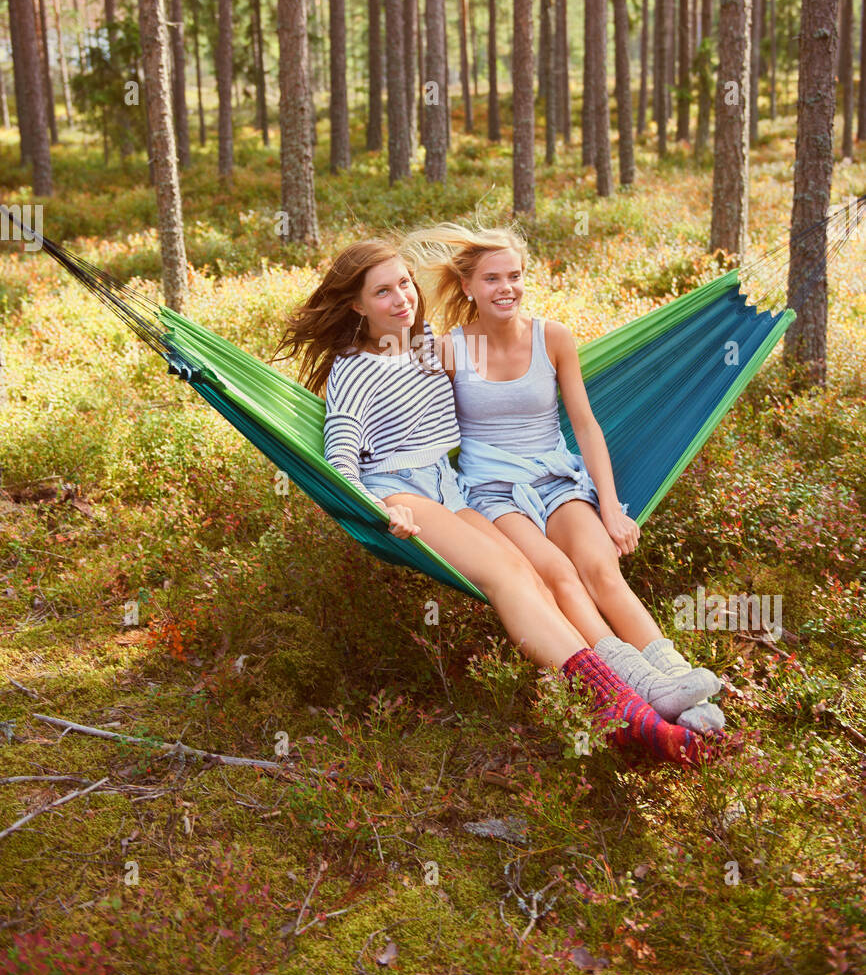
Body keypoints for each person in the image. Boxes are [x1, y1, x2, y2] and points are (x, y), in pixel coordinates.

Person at [272, 238, 715, 766]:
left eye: (405, 284)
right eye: (382, 292)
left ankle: (642, 683)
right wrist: (378, 505)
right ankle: (621, 707)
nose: (401, 299)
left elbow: (501, 362)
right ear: (356, 305)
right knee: (508, 579)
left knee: (528, 573)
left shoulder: (428, 347)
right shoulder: (354, 368)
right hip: (400, 491)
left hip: (449, 486)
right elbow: (340, 455)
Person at [400, 221, 725, 736]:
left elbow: (586, 425)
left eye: (515, 275)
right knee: (560, 576)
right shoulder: (447, 350)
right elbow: (406, 407)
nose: (506, 288)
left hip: (558, 480)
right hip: (491, 494)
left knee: (602, 570)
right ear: (467, 287)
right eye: (492, 279)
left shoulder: (552, 338)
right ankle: (641, 683)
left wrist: (612, 507)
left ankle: (677, 681)